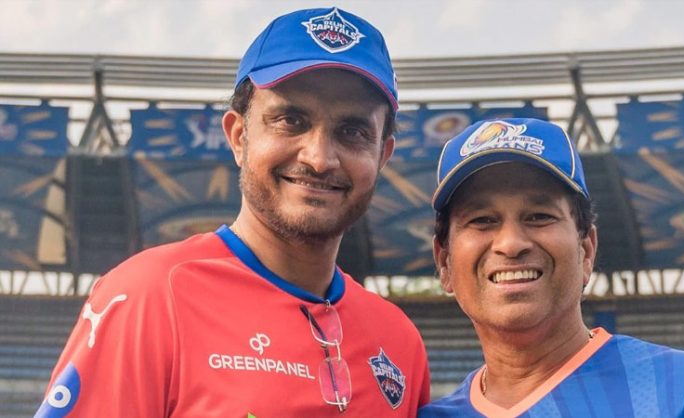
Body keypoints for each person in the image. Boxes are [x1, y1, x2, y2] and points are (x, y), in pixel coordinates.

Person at [36, 7, 430, 417]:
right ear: (239, 136)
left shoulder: (399, 341)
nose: (318, 157)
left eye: (352, 131)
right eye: (291, 120)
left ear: (382, 155)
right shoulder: (149, 295)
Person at [418, 118, 684, 417]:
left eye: (539, 216)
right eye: (482, 220)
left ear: (586, 249)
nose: (511, 244)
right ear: (444, 262)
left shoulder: (679, 387)